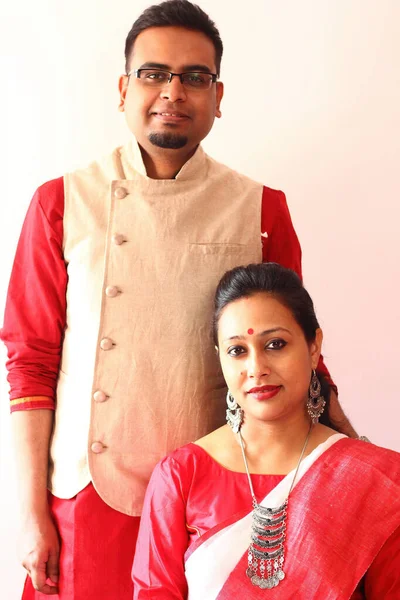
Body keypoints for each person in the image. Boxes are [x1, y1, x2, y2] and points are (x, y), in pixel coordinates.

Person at [1, 1, 355, 598]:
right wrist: (30, 511)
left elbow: (291, 354)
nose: (173, 91)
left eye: (195, 77)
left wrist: (348, 456)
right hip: (87, 496)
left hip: (220, 494)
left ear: (219, 97)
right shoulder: (61, 203)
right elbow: (28, 363)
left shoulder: (261, 210)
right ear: (123, 88)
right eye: (154, 73)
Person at [132, 262, 400, 599]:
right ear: (221, 360)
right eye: (237, 351)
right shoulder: (182, 475)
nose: (256, 369)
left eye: (275, 344)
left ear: (313, 346)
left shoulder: (376, 480)